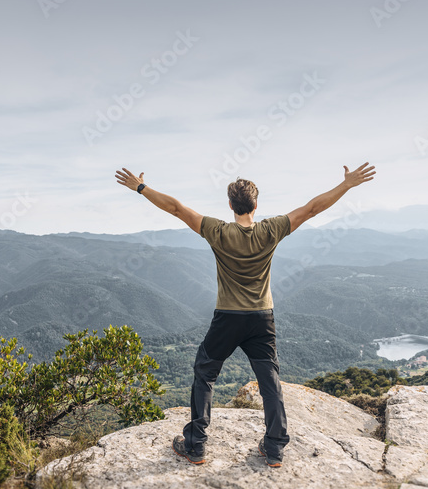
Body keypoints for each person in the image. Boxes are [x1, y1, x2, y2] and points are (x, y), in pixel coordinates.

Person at [115, 163, 377, 467]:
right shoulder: (271, 230)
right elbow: (312, 209)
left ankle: (196, 445)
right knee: (270, 381)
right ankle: (275, 447)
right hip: (262, 318)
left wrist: (140, 187)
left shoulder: (218, 231)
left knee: (205, 373)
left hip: (228, 317)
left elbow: (176, 208)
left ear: (230, 205)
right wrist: (346, 185)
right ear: (256, 205)